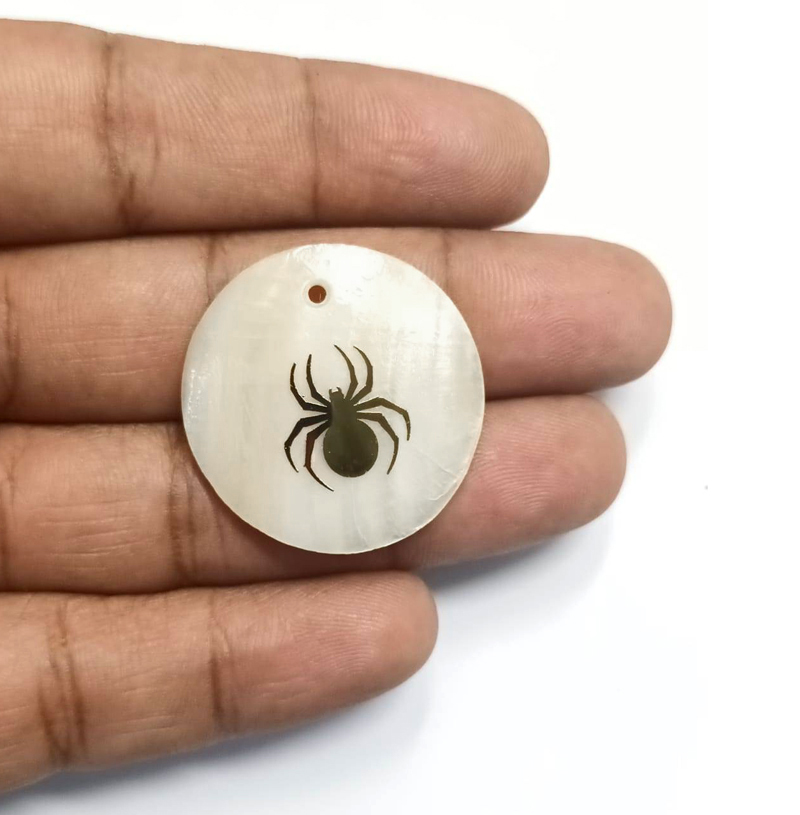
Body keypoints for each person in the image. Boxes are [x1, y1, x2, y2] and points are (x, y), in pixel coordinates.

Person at [0, 19, 671, 792]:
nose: (341, 395)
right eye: (342, 393)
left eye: (345, 389)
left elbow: (319, 424)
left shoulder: (329, 418)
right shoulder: (359, 413)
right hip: (358, 451)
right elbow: (350, 417)